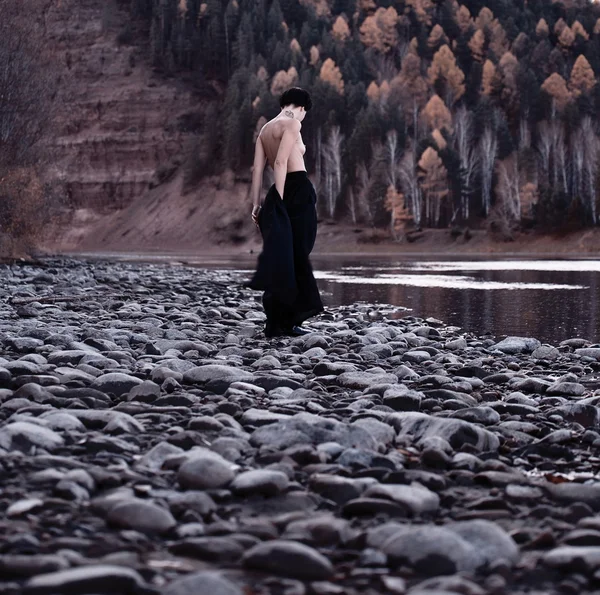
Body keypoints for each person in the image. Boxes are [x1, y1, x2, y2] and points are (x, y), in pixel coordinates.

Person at [246, 87, 324, 338]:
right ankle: (287, 321)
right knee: (298, 254)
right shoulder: (291, 124)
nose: (303, 118)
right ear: (300, 107)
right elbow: (280, 162)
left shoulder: (265, 130)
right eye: (305, 113)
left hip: (275, 194)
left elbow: (257, 171)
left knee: (284, 259)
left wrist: (256, 204)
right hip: (296, 191)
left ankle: (276, 321)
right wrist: (280, 199)